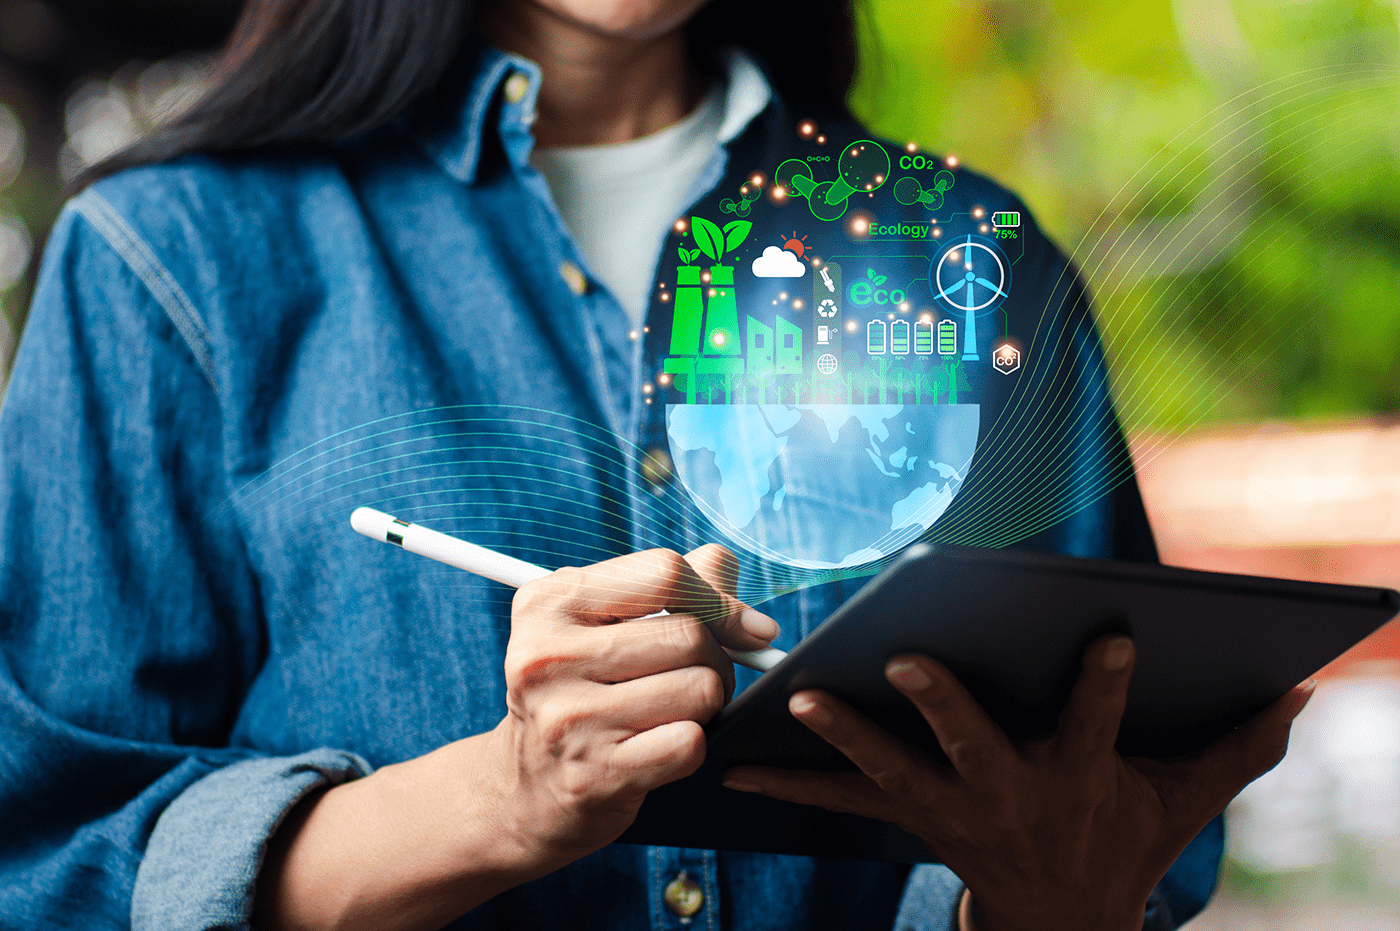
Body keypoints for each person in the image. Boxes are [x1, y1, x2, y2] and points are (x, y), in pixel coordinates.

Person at [0, 1, 1311, 929]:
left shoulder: (978, 267)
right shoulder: (171, 264)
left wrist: (1042, 895)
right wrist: (501, 800)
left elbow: (1100, 833)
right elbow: (51, 863)